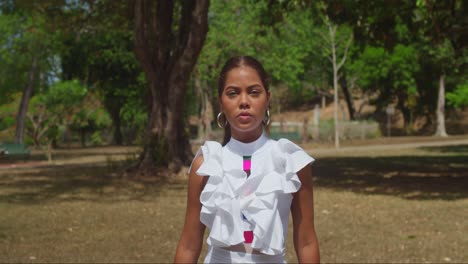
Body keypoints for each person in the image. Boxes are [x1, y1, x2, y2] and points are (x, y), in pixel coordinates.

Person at [174, 56, 319, 263]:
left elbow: (306, 242)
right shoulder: (207, 164)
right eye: (233, 93)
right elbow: (189, 244)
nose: (244, 102)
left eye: (254, 92)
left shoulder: (290, 161)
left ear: (267, 98)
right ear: (221, 101)